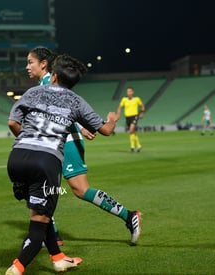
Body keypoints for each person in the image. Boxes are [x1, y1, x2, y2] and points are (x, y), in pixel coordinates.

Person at [5, 54, 119, 275]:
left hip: (16, 159)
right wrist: (112, 119)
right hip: (45, 163)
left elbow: (12, 121)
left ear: (54, 75)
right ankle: (17, 267)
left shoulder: (33, 92)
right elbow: (105, 130)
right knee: (39, 223)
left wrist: (27, 141)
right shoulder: (77, 101)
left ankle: (58, 259)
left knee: (41, 211)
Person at [26, 46, 142, 247]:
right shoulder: (45, 83)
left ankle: (129, 216)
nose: (27, 67)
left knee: (79, 189)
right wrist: (81, 125)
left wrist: (82, 126)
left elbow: (62, 107)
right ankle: (51, 235)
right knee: (43, 188)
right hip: (56, 142)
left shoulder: (49, 82)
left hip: (66, 142)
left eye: (30, 62)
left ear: (43, 64)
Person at [117, 87, 145, 153]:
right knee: (132, 132)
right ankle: (137, 146)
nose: (128, 93)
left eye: (130, 91)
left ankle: (133, 146)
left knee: (131, 130)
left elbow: (142, 107)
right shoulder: (124, 99)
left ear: (132, 92)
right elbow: (120, 107)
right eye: (127, 91)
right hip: (127, 117)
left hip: (134, 116)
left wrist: (141, 113)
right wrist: (118, 114)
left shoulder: (137, 99)